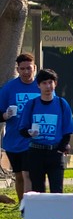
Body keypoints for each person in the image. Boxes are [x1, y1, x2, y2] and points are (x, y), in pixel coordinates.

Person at [17, 69, 73, 193]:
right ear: (38, 85)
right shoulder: (31, 104)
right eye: (44, 83)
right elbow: (22, 129)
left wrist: (60, 149)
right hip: (35, 152)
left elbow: (68, 130)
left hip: (55, 152)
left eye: (50, 82)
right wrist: (29, 132)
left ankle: (56, 213)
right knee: (38, 191)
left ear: (55, 84)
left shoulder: (61, 104)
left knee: (57, 190)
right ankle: (39, 213)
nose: (48, 86)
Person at [0, 53, 40, 201]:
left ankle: (33, 205)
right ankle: (23, 208)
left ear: (34, 68)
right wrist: (5, 115)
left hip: (34, 140)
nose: (26, 72)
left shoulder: (41, 86)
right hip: (13, 140)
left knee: (28, 173)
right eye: (22, 69)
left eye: (29, 68)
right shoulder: (9, 88)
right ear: (17, 69)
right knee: (19, 175)